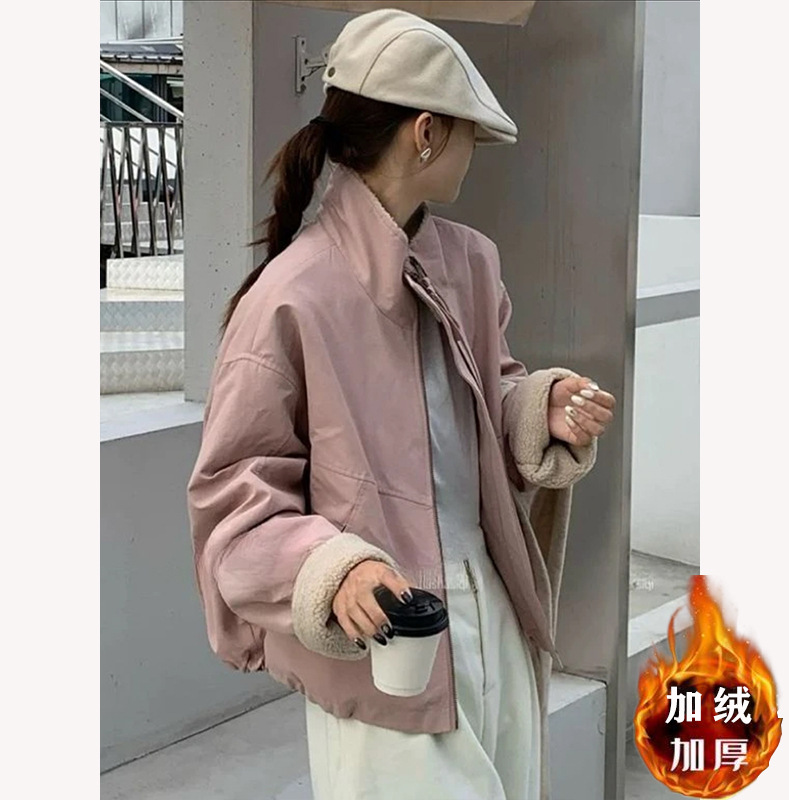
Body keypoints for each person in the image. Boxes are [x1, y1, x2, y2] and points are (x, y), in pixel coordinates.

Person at [186, 8, 615, 800]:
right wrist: (332, 570)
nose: (472, 152)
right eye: (467, 133)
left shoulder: (470, 263)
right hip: (387, 634)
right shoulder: (291, 296)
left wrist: (536, 408)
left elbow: (487, 396)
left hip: (493, 601)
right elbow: (234, 506)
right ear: (426, 133)